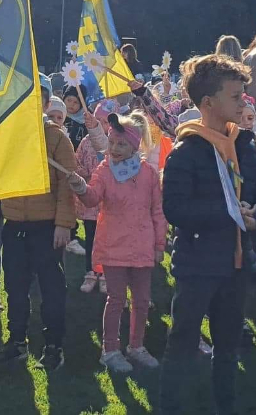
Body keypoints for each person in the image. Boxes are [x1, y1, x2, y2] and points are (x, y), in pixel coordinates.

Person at [158, 54, 256, 415]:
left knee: (228, 342)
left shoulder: (245, 144)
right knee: (183, 338)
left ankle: (225, 404)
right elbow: (175, 210)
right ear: (208, 103)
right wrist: (227, 213)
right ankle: (171, 405)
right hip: (198, 264)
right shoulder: (186, 151)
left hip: (238, 264)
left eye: (244, 95)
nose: (244, 102)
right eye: (236, 97)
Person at [66, 111, 167, 374]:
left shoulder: (147, 173)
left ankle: (137, 346)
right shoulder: (104, 170)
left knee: (142, 300)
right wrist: (80, 187)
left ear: (134, 145)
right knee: (116, 299)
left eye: (121, 144)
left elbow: (157, 210)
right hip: (113, 245)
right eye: (112, 143)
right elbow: (92, 198)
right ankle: (110, 350)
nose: (115, 149)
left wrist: (159, 245)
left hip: (142, 245)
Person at [0, 76, 78, 371]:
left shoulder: (56, 137)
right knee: (15, 286)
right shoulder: (7, 135)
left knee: (51, 288)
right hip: (14, 223)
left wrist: (64, 224)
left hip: (47, 227)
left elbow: (68, 183)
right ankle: (17, 341)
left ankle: (54, 345)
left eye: (36, 97)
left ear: (44, 102)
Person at [74, 103, 109, 293]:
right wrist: (82, 173)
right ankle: (90, 271)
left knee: (107, 239)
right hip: (90, 202)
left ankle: (105, 273)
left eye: (106, 121)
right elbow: (77, 161)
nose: (103, 125)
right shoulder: (86, 142)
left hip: (107, 203)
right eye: (99, 121)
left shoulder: (115, 142)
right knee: (91, 239)